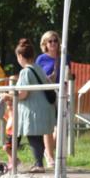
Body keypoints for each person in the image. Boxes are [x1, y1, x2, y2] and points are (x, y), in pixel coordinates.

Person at [15, 38, 56, 174]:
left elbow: (23, 94)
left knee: (33, 136)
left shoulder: (25, 71)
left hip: (34, 109)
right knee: (36, 136)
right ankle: (39, 163)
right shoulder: (38, 68)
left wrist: (10, 96)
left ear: (20, 56)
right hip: (45, 107)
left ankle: (39, 164)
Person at [34, 30, 65, 166]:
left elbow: (68, 74)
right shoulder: (41, 59)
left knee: (60, 127)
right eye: (49, 41)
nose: (53, 43)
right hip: (46, 94)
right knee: (48, 126)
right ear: (45, 44)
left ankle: (47, 150)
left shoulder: (64, 57)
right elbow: (37, 76)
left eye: (55, 40)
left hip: (61, 94)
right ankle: (50, 157)